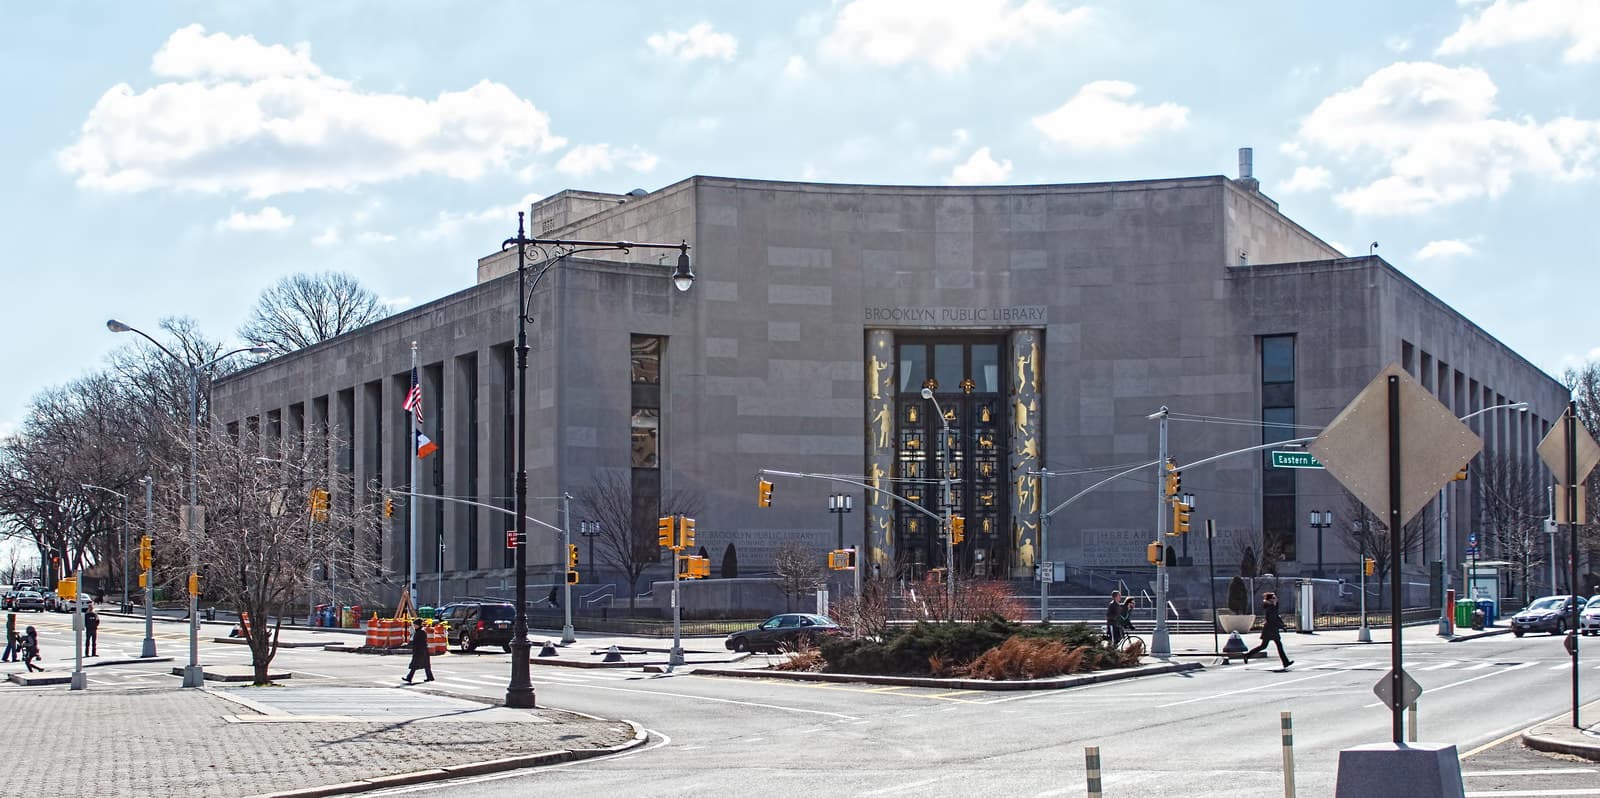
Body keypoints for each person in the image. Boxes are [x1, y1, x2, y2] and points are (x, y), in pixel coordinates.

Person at [1244, 592, 1293, 669]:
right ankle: (1285, 662)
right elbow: (1273, 619)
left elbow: (1277, 618)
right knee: (1273, 646)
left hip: (1271, 629)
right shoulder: (1270, 608)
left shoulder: (1272, 607)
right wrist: (1281, 626)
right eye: (1274, 598)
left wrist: (1282, 626)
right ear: (1270, 600)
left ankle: (1247, 655)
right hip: (1270, 630)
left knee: (1264, 646)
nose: (1276, 599)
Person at [403, 618, 434, 684]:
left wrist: (417, 650)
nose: (414, 626)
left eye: (415, 625)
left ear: (418, 625)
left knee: (415, 665)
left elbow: (420, 642)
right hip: (422, 651)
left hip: (421, 651)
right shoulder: (418, 631)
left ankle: (409, 678)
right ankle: (430, 677)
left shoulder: (421, 632)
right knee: (426, 665)